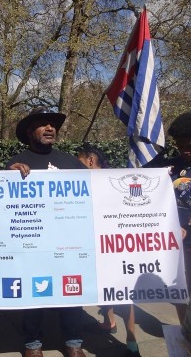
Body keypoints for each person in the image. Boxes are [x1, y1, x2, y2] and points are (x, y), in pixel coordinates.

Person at [7, 107, 86, 357]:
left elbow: (94, 191)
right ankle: (32, 343)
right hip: (33, 241)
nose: (50, 128)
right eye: (43, 124)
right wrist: (6, 177)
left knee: (72, 291)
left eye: (53, 124)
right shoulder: (16, 163)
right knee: (33, 291)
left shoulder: (71, 162)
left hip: (67, 241)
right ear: (30, 132)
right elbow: (0, 202)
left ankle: (74, 342)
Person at [78, 144, 140, 357]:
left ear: (91, 160)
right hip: (97, 240)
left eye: (80, 161)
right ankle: (109, 321)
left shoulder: (110, 181)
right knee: (103, 285)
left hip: (115, 242)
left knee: (123, 290)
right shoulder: (92, 181)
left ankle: (131, 340)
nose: (78, 165)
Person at [149, 112, 191, 347]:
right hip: (174, 246)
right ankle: (186, 337)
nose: (185, 149)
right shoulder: (171, 165)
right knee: (179, 295)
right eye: (180, 144)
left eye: (190, 144)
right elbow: (138, 173)